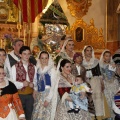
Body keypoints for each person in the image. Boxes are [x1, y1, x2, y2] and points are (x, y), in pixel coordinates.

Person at [82, 45, 110, 120]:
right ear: (84, 52)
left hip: (96, 82)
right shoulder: (82, 62)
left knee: (97, 101)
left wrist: (102, 84)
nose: (89, 52)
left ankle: (99, 117)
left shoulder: (96, 61)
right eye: (87, 50)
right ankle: (90, 117)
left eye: (90, 50)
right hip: (86, 83)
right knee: (89, 100)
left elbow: (100, 74)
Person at [11, 46, 36, 120]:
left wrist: (33, 84)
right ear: (20, 55)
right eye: (24, 54)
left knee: (29, 114)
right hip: (19, 95)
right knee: (20, 115)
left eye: (28, 54)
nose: (27, 56)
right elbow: (12, 83)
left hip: (30, 95)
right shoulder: (14, 67)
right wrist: (22, 84)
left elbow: (35, 80)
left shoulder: (33, 67)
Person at [31, 51, 58, 120]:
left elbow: (53, 86)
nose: (44, 60)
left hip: (47, 94)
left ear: (48, 59)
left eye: (46, 58)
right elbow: (36, 81)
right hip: (39, 95)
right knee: (37, 114)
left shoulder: (52, 70)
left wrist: (48, 99)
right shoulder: (37, 69)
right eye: (42, 58)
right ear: (39, 59)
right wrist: (35, 90)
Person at [99, 49, 119, 118]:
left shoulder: (113, 64)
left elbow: (116, 74)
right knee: (107, 99)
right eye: (106, 56)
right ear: (103, 56)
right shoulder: (101, 65)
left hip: (114, 83)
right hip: (106, 83)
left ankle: (115, 114)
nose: (108, 57)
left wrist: (115, 68)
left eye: (109, 56)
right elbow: (100, 75)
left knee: (115, 98)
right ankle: (109, 115)